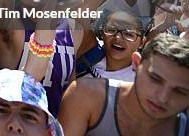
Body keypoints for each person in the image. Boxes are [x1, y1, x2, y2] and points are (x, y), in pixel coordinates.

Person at [59, 33, 189, 136]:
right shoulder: (85, 95)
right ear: (136, 64)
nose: (163, 98)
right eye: (155, 79)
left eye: (180, 91)